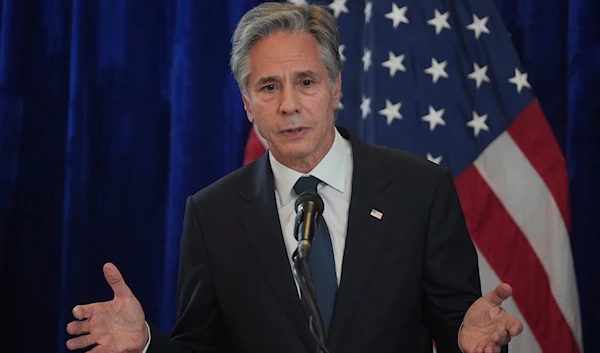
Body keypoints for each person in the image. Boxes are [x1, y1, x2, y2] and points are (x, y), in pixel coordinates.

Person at [66, 3, 523, 353]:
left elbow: (460, 326)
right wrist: (146, 343)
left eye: (306, 81)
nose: (289, 105)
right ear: (247, 103)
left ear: (336, 87)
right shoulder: (213, 215)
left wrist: (470, 340)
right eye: (269, 87)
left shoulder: (421, 190)